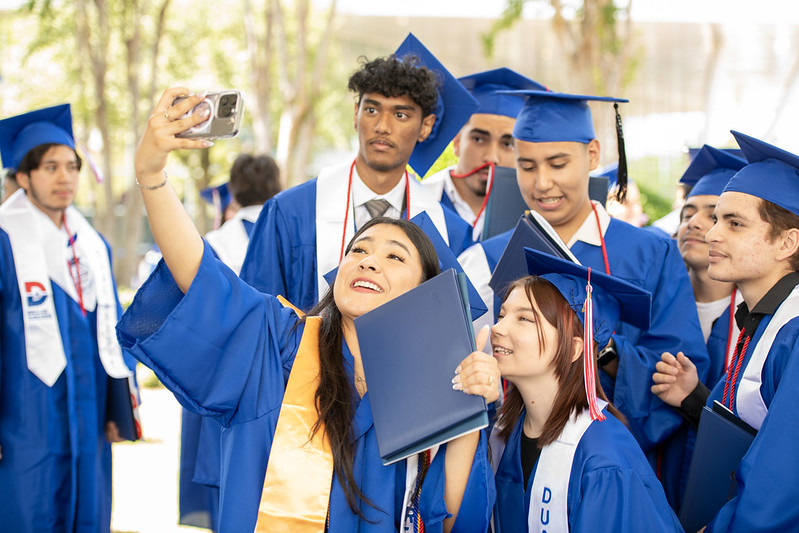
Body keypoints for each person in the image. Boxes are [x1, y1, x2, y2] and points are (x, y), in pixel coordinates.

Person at [120, 87, 498, 533]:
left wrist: (470, 414)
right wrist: (152, 173)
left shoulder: (434, 387)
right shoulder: (277, 343)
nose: (369, 260)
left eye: (395, 257)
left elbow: (448, 518)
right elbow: (199, 273)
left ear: (424, 293)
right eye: (359, 249)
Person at [458, 89, 709, 510]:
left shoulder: (649, 252)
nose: (542, 183)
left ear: (592, 155)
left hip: (604, 465)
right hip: (508, 460)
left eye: (558, 164)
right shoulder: (483, 259)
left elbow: (679, 370)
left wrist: (607, 351)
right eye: (526, 165)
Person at [239, 34, 476, 312]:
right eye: (372, 109)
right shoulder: (290, 213)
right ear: (355, 114)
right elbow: (255, 316)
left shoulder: (450, 231)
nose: (382, 126)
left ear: (426, 126)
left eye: (400, 115)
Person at [0, 104, 138, 532]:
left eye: (72, 167)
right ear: (23, 177)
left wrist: (118, 403)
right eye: (50, 167)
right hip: (23, 419)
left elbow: (113, 332)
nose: (65, 178)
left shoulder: (91, 245)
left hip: (90, 415)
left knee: (90, 514)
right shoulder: (5, 240)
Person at [652, 131, 799, 532]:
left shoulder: (793, 333)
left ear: (787, 242)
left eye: (734, 223)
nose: (712, 233)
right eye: (717, 219)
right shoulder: (763, 321)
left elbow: (783, 483)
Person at [490, 248, 682, 532]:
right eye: (503, 314)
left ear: (575, 349)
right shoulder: (505, 431)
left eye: (524, 319)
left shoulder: (605, 458)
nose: (497, 328)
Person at [179, 153, 282, 530]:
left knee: (227, 487)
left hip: (222, 379)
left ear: (233, 192)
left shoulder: (211, 242)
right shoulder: (291, 235)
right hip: (283, 382)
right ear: (277, 188)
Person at [422, 68, 546, 240]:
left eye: (507, 144)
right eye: (479, 139)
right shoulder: (417, 200)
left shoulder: (534, 216)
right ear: (457, 142)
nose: (491, 157)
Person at [676, 144, 747, 386]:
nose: (694, 223)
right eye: (687, 214)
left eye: (713, 216)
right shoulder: (658, 305)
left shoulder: (756, 320)